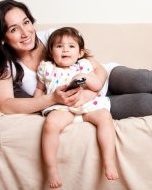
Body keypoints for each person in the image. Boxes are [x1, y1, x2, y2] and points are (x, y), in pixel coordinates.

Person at [0, 0, 152, 120]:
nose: (25, 33)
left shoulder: (50, 37)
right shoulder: (3, 65)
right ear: (2, 38)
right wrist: (52, 99)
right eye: (13, 29)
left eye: (26, 22)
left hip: (103, 82)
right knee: (150, 104)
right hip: (88, 107)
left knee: (147, 79)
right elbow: (6, 105)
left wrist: (91, 89)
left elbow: (97, 68)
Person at [34, 27, 119, 188]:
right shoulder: (46, 67)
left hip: (87, 105)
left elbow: (97, 85)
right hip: (61, 107)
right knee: (50, 125)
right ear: (51, 52)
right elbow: (39, 89)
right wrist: (37, 106)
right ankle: (51, 169)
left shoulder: (84, 65)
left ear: (80, 53)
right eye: (59, 46)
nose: (65, 49)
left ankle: (109, 161)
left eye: (71, 46)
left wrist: (85, 77)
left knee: (105, 118)